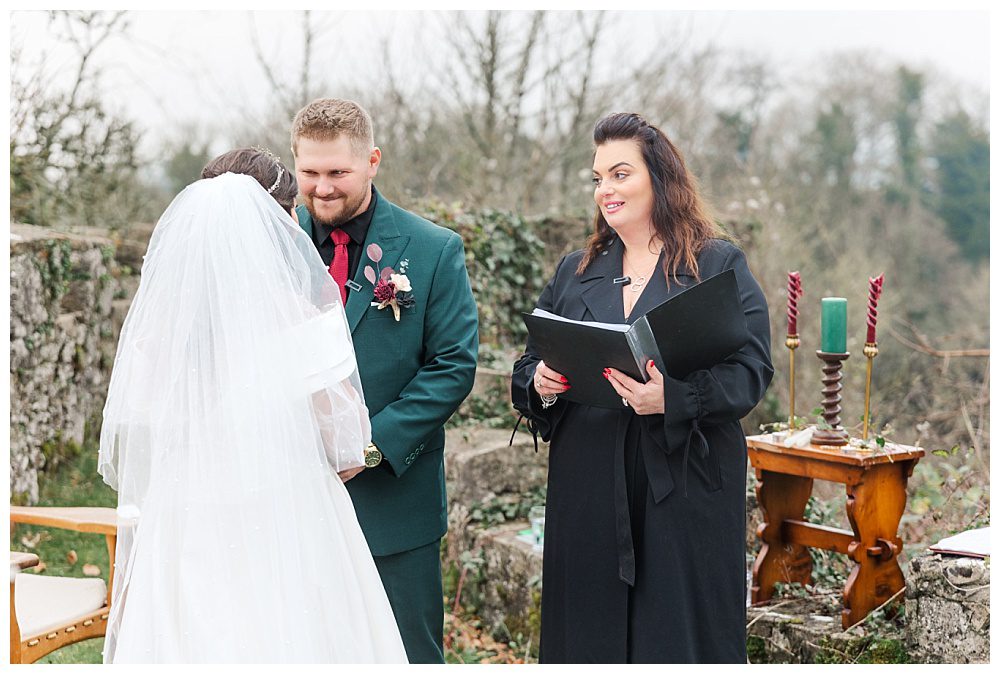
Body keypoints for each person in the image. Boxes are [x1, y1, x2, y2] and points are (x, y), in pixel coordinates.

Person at [98, 148, 408, 663]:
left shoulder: (161, 329)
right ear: (277, 220)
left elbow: (141, 425)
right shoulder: (301, 317)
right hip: (287, 518)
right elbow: (350, 451)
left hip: (184, 518)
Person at [511, 113, 773, 663]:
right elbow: (529, 364)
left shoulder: (715, 263)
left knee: (675, 637)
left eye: (620, 174)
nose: (606, 189)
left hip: (681, 490)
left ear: (659, 177)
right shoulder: (574, 271)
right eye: (598, 177)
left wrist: (673, 398)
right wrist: (542, 380)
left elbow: (751, 369)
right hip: (588, 489)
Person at [290, 98, 479, 664]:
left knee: (404, 654)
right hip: (291, 495)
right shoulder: (271, 245)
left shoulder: (432, 249)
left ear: (372, 161)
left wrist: (368, 447)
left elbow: (452, 366)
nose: (322, 189)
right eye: (309, 173)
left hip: (394, 501)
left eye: (338, 173)